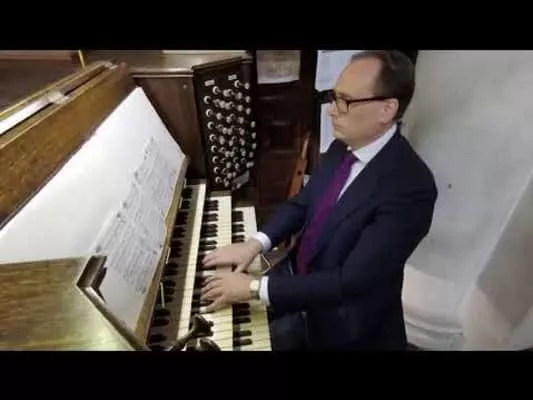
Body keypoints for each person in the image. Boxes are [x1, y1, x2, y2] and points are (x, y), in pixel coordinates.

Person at [200, 50, 438, 350]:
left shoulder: (411, 187)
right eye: (333, 97)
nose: (331, 111)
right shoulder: (343, 147)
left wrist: (253, 287)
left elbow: (349, 281)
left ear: (387, 109)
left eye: (345, 101)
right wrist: (255, 244)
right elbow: (303, 204)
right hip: (295, 280)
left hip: (339, 324)